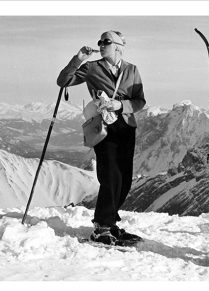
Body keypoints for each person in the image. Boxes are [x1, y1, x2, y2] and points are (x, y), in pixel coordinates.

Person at [57, 30, 146, 245]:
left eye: (105, 41)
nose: (101, 44)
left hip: (126, 126)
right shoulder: (92, 67)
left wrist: (120, 105)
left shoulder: (131, 70)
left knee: (124, 178)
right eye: (100, 41)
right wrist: (78, 59)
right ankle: (101, 226)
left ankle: (110, 224)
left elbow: (140, 101)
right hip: (103, 127)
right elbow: (63, 81)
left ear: (117, 46)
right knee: (110, 175)